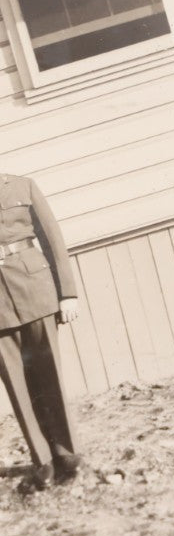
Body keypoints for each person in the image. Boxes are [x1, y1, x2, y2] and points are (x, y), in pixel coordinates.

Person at [0, 173, 83, 490]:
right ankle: (44, 462)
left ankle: (68, 455)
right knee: (17, 386)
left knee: (49, 377)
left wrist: (68, 293)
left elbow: (52, 238)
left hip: (35, 288)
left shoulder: (22, 185)